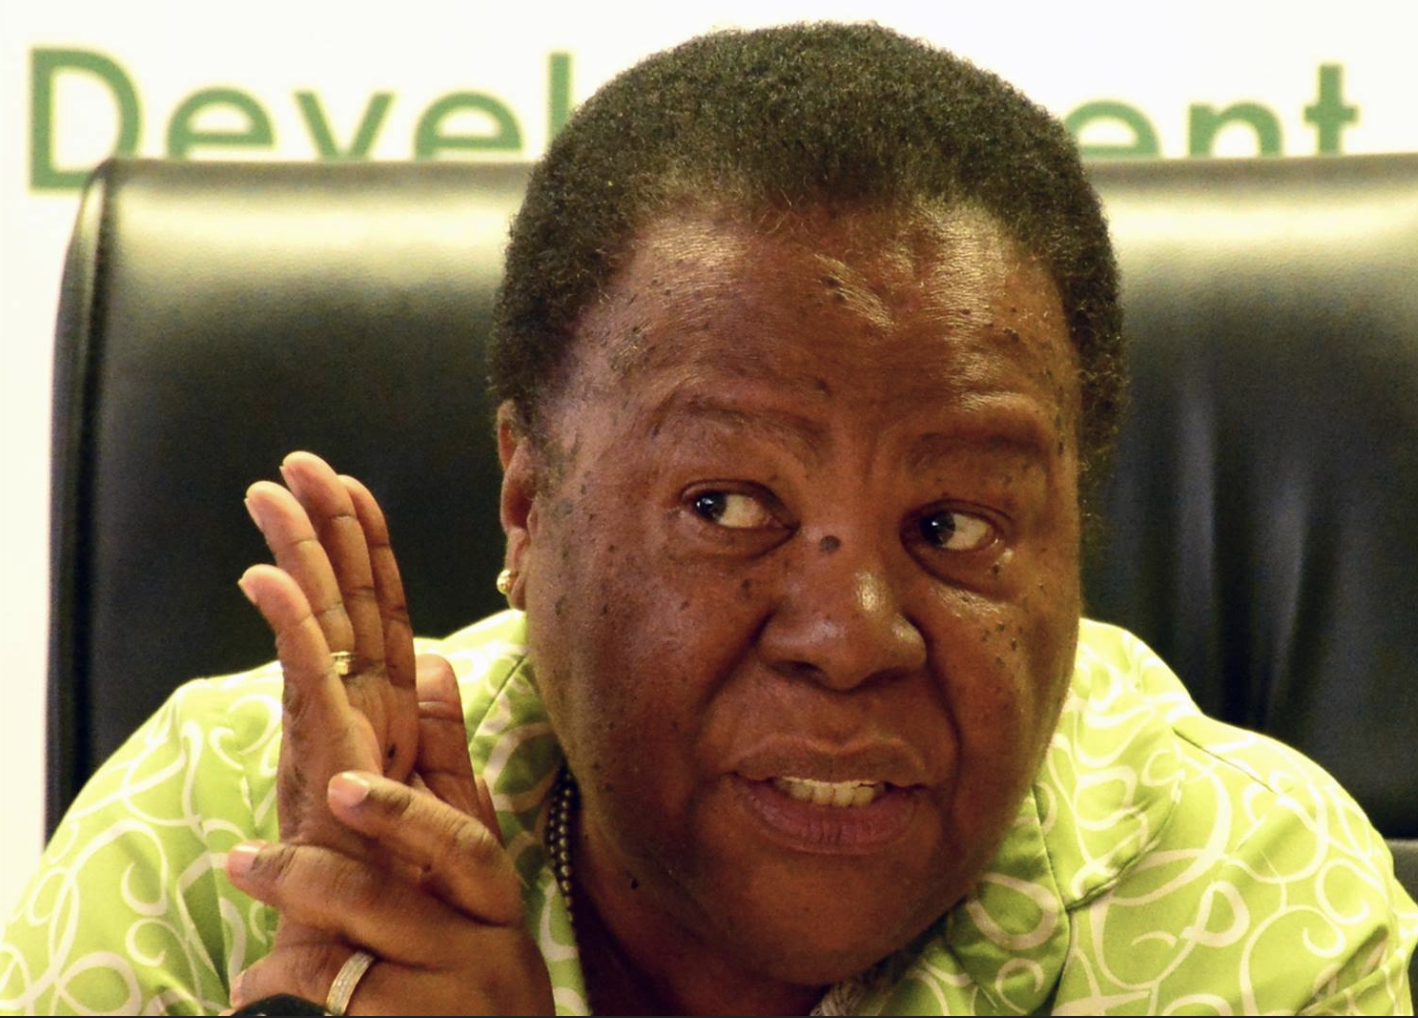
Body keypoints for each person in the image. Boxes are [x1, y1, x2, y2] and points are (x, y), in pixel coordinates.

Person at [3, 22, 1415, 1016]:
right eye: (726, 505)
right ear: (527, 504)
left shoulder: (1244, 905)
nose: (848, 638)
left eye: (951, 527)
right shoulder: (223, 841)